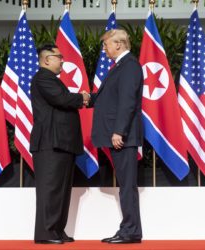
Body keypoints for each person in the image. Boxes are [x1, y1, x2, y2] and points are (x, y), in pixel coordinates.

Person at [30, 44, 90, 244]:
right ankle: (46, 233)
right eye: (59, 56)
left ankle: (56, 231)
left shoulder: (51, 79)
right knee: (50, 189)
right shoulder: (43, 78)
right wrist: (81, 97)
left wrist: (79, 98)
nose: (62, 60)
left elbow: (63, 99)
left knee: (62, 190)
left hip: (61, 143)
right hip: (50, 143)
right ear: (47, 60)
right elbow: (62, 99)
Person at [89, 29, 143, 244]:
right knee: (125, 184)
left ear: (118, 45)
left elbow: (128, 102)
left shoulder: (129, 66)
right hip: (119, 135)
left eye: (106, 45)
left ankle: (130, 231)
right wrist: (85, 99)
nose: (104, 49)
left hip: (123, 137)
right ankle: (130, 229)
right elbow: (108, 98)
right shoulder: (121, 66)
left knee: (127, 185)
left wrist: (118, 131)